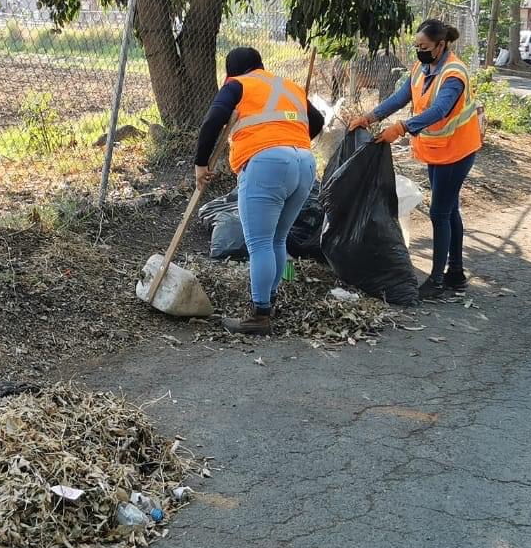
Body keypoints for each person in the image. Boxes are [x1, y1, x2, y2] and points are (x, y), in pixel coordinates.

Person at [349, 19, 481, 299]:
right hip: (439, 148)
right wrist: (370, 117)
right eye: (416, 46)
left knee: (439, 213)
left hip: (457, 150)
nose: (419, 50)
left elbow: (441, 110)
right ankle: (455, 273)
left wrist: (401, 128)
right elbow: (399, 97)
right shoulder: (423, 68)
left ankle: (436, 280)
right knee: (449, 209)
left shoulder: (453, 74)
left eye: (424, 46)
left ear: (441, 45)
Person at [195, 47, 324, 334]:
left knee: (259, 244)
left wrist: (200, 164)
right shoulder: (288, 86)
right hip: (304, 161)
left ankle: (259, 316)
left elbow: (212, 119)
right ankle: (269, 301)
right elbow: (318, 122)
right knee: (278, 239)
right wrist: (290, 139)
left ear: (232, 71)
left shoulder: (238, 85)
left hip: (267, 162)